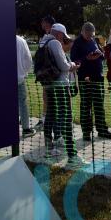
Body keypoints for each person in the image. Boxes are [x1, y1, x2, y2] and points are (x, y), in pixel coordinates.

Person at [39, 23, 86, 169]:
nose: (63, 40)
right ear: (59, 34)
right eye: (63, 37)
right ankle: (72, 156)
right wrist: (73, 65)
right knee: (66, 117)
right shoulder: (55, 43)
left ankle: (48, 149)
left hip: (48, 84)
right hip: (60, 85)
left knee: (51, 115)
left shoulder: (43, 41)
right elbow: (64, 66)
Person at [71, 22, 111, 141]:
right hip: (85, 78)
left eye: (92, 34)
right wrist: (87, 58)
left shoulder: (93, 41)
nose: (90, 37)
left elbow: (101, 54)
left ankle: (102, 130)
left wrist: (100, 54)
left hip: (98, 77)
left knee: (99, 105)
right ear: (83, 32)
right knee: (86, 105)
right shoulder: (77, 43)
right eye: (88, 34)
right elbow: (73, 60)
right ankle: (86, 132)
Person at [16, 34, 36, 138]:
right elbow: (28, 59)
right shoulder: (21, 41)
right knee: (22, 103)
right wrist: (25, 72)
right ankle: (25, 128)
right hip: (19, 78)